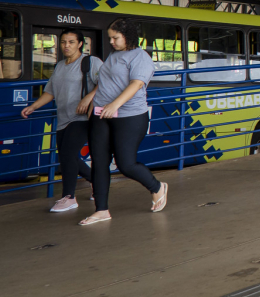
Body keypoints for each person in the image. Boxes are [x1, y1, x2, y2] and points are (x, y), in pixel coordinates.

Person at [77, 18, 168, 225]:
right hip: (102, 114)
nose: (112, 42)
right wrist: (92, 100)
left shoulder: (140, 57)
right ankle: (101, 210)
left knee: (126, 164)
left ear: (128, 36)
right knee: (99, 162)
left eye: (115, 37)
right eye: (110, 38)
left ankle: (157, 187)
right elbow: (105, 82)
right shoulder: (114, 55)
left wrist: (115, 104)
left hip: (130, 116)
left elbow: (136, 84)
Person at [21, 29, 103, 212]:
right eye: (64, 42)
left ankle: (69, 197)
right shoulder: (59, 66)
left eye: (71, 42)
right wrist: (33, 106)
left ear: (80, 44)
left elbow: (106, 82)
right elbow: (50, 92)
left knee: (67, 154)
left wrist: (88, 98)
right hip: (63, 117)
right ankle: (97, 182)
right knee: (68, 155)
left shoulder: (91, 62)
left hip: (83, 117)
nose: (66, 46)